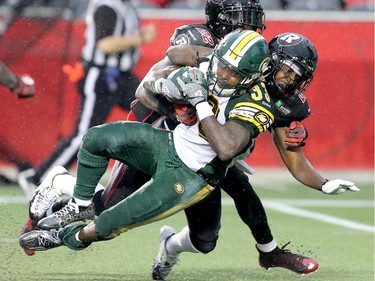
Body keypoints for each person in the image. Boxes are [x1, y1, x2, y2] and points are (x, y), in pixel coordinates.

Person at [18, 0, 341, 275]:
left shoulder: (254, 62)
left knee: (210, 233)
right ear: (221, 22)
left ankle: (258, 250)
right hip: (163, 130)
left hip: (204, 150)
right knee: (105, 209)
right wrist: (179, 108)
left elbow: (278, 137)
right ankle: (60, 187)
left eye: (255, 23)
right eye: (243, 22)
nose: (251, 30)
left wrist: (308, 161)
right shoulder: (199, 45)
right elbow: (147, 89)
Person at [19, 29, 274, 261]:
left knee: (108, 221)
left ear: (253, 76)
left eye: (233, 73)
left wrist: (199, 101)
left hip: (190, 176)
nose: (222, 75)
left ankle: (65, 237)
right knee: (95, 140)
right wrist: (170, 87)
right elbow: (164, 65)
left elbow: (227, 148)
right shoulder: (210, 57)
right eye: (222, 65)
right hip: (166, 141)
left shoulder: (257, 101)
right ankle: (78, 201)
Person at [17, 0, 156, 199]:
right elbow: (105, 45)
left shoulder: (126, 6)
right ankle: (39, 177)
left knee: (154, 107)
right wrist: (139, 38)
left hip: (122, 76)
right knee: (84, 134)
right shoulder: (107, 6)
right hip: (100, 76)